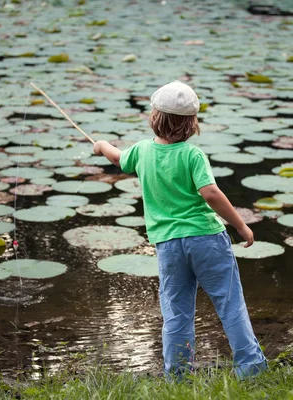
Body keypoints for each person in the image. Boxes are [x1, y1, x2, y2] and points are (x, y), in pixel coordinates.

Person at [93, 81, 267, 379]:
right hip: (206, 239)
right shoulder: (192, 155)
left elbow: (117, 158)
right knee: (229, 303)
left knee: (176, 311)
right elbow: (210, 193)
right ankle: (250, 368)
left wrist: (100, 145)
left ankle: (177, 375)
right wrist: (240, 225)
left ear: (155, 117)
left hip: (169, 244)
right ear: (190, 123)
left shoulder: (142, 152)